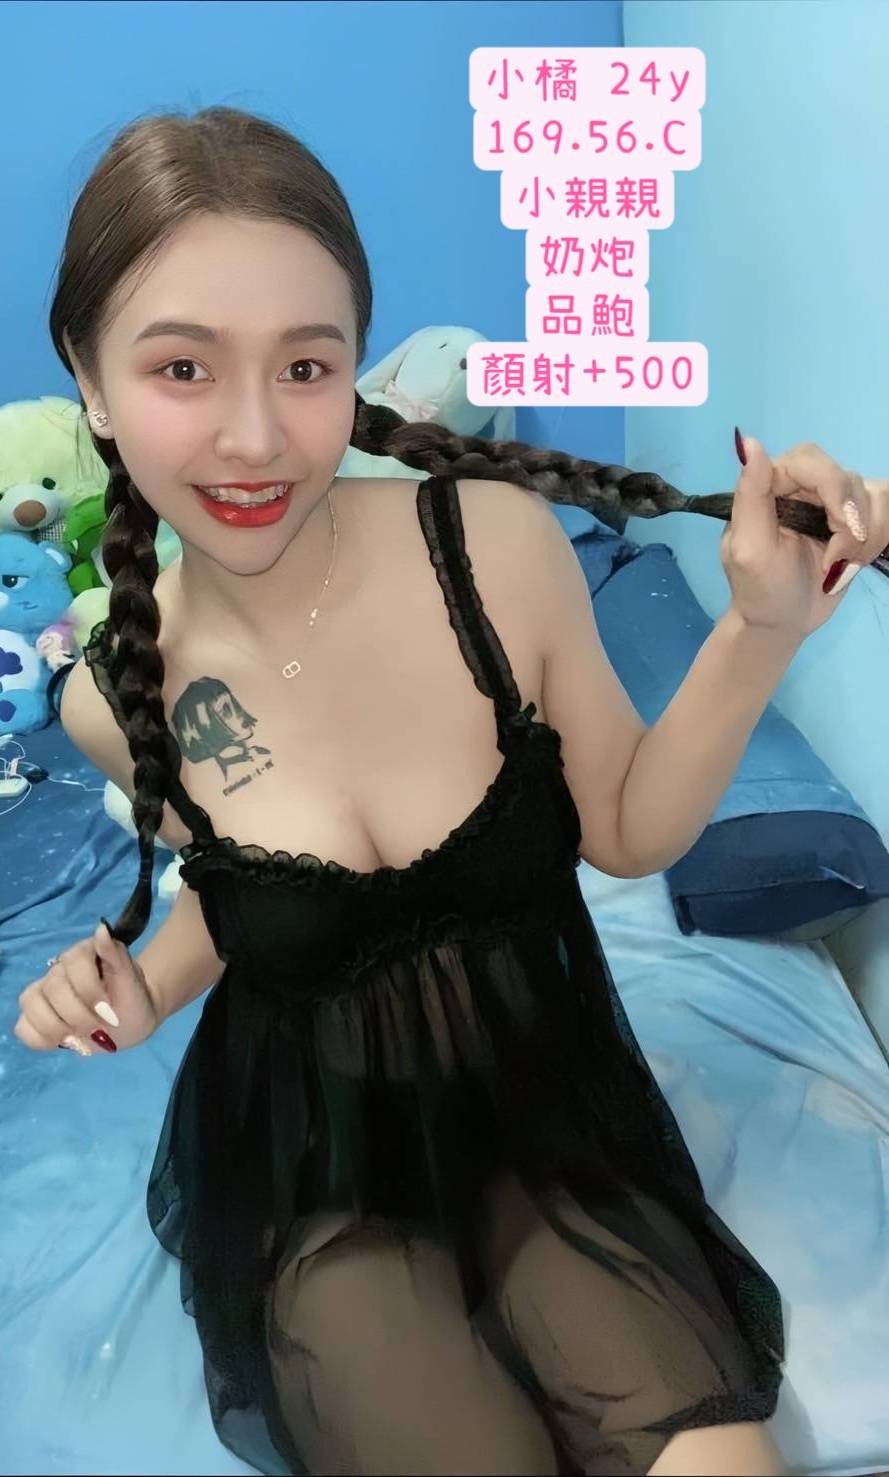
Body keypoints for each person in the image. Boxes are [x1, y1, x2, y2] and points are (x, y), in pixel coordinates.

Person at [15, 105, 886, 1477]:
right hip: (326, 1182)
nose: (255, 435)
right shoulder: (110, 695)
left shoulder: (492, 549)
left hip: (553, 1131)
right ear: (90, 377)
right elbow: (241, 904)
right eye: (183, 366)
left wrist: (759, 630)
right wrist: (136, 990)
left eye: (306, 365)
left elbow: (626, 829)